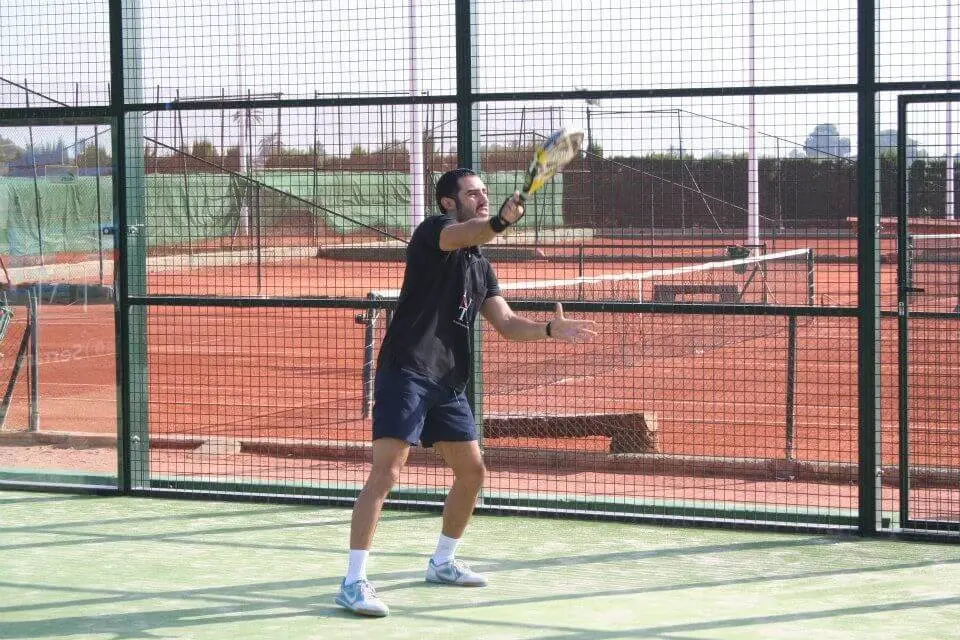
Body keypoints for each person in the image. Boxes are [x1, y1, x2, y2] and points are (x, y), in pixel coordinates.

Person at [335, 168, 599, 617]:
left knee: (473, 472)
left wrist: (549, 329)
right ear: (448, 202)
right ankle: (353, 581)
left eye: (485, 192)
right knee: (387, 472)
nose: (482, 197)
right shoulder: (433, 232)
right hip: (407, 372)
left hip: (447, 382)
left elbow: (508, 324)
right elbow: (471, 232)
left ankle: (442, 562)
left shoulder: (481, 267)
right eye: (472, 193)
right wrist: (499, 222)